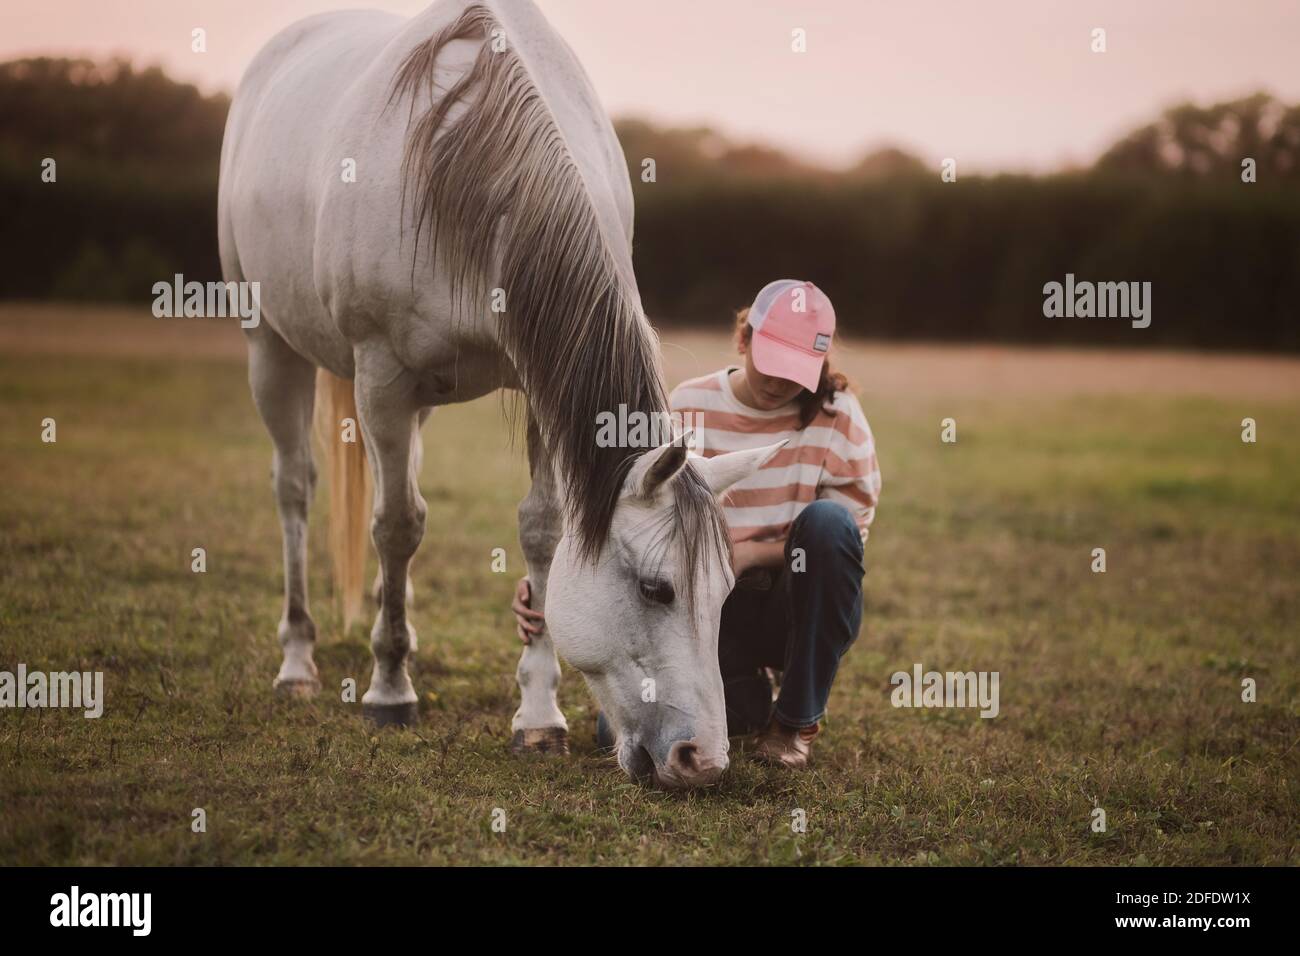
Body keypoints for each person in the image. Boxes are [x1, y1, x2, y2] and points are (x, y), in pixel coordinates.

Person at [512, 279, 881, 769]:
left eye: (796, 373)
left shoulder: (840, 419)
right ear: (745, 339)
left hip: (789, 604)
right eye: (771, 363)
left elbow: (849, 537)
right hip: (702, 610)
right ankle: (744, 694)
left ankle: (795, 721)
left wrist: (749, 553)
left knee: (828, 525)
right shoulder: (688, 405)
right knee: (611, 731)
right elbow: (630, 507)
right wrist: (551, 577)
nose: (779, 382)